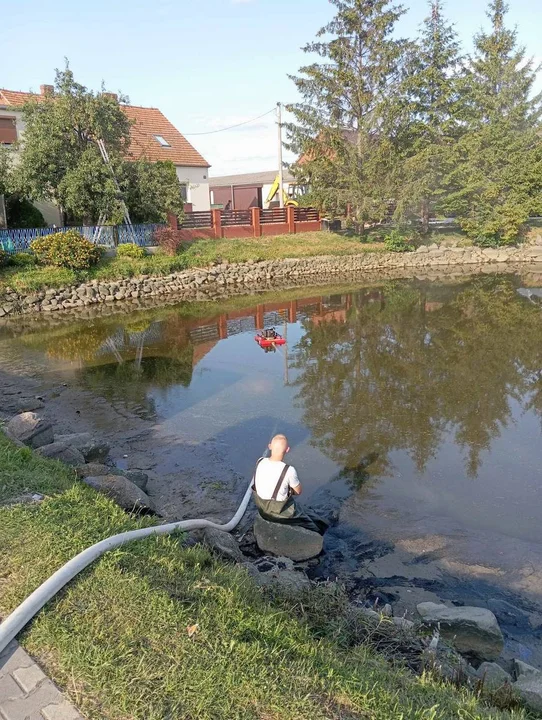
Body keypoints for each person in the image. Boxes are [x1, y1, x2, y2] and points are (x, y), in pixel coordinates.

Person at [252, 434, 328, 535]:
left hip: (262, 509)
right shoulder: (288, 470)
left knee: (307, 513)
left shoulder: (260, 461)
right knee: (314, 525)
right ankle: (319, 536)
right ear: (287, 450)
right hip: (278, 512)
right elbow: (298, 491)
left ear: (269, 446)